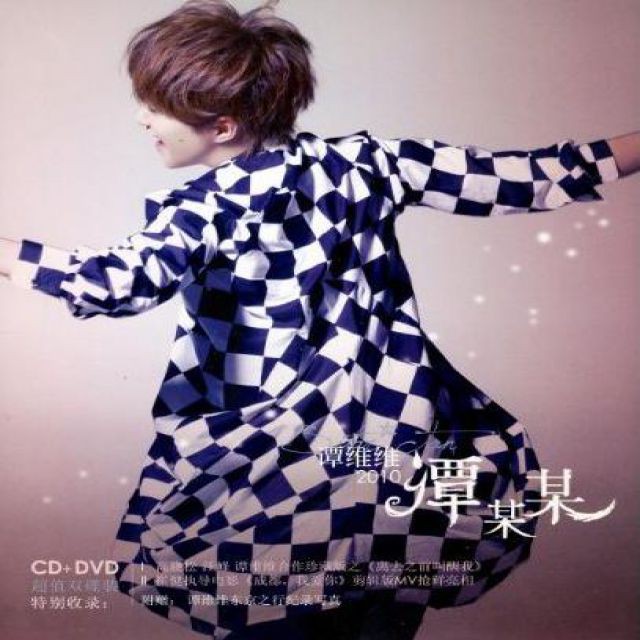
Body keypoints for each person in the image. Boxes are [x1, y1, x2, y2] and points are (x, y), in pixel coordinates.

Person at [1, 1, 638, 638]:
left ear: (223, 126)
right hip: (388, 472)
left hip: (275, 480)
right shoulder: (369, 163)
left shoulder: (204, 209)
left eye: (156, 106)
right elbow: (534, 177)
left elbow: (114, 284)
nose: (142, 119)